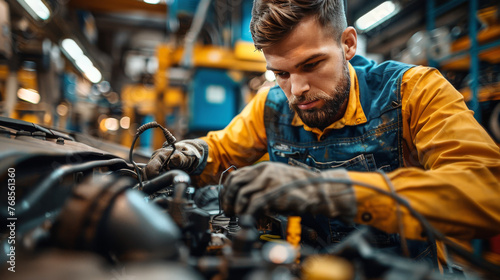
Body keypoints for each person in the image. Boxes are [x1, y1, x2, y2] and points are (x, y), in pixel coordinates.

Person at [145, 0, 500, 268]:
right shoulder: (271, 106)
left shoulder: (413, 90)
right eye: (280, 73)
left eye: (311, 65)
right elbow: (221, 151)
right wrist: (190, 154)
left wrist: (329, 191)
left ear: (347, 44)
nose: (296, 90)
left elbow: (486, 191)